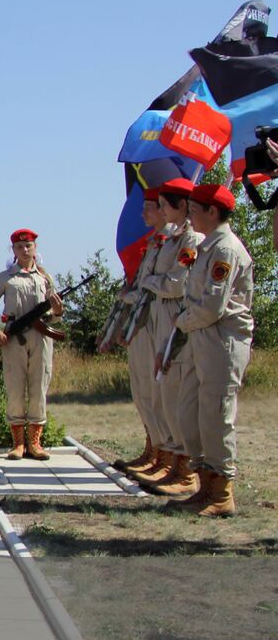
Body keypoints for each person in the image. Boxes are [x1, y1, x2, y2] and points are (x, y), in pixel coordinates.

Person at [166, 184, 252, 517]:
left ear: (212, 212)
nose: (189, 214)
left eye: (195, 208)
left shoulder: (225, 249)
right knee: (191, 414)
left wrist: (181, 321)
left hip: (222, 339)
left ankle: (221, 493)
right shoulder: (207, 248)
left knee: (216, 417)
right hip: (202, 337)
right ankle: (203, 485)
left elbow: (214, 306)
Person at [131, 179, 206, 493]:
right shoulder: (168, 239)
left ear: (181, 206)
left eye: (163, 205)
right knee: (162, 392)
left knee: (175, 392)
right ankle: (171, 459)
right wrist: (151, 281)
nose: (159, 211)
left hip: (176, 314)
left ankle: (185, 469)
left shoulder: (190, 239)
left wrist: (149, 280)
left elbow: (176, 284)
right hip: (161, 313)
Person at [0, 229, 63, 460]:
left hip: (41, 338)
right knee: (15, 391)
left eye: (29, 246)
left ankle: (35, 443)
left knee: (38, 390)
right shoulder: (4, 278)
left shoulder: (45, 278)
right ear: (13, 250)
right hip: (13, 340)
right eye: (20, 247)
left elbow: (54, 316)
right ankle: (18, 444)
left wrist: (57, 311)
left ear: (35, 248)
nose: (25, 250)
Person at [110, 191, 166, 483]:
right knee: (144, 392)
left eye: (148, 208)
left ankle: (170, 459)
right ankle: (155, 450)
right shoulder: (154, 245)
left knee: (161, 396)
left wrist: (141, 288)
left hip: (160, 324)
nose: (142, 215)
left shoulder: (175, 243)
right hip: (144, 324)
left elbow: (170, 285)